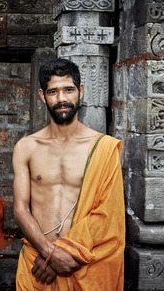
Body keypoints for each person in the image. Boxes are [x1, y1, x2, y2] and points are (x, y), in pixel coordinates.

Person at [12, 58, 125, 290]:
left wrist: (59, 257)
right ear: (43, 96)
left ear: (80, 91)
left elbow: (108, 216)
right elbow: (20, 209)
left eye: (69, 90)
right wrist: (48, 252)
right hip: (37, 264)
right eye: (53, 91)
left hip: (84, 263)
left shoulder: (103, 148)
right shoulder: (26, 147)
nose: (62, 99)